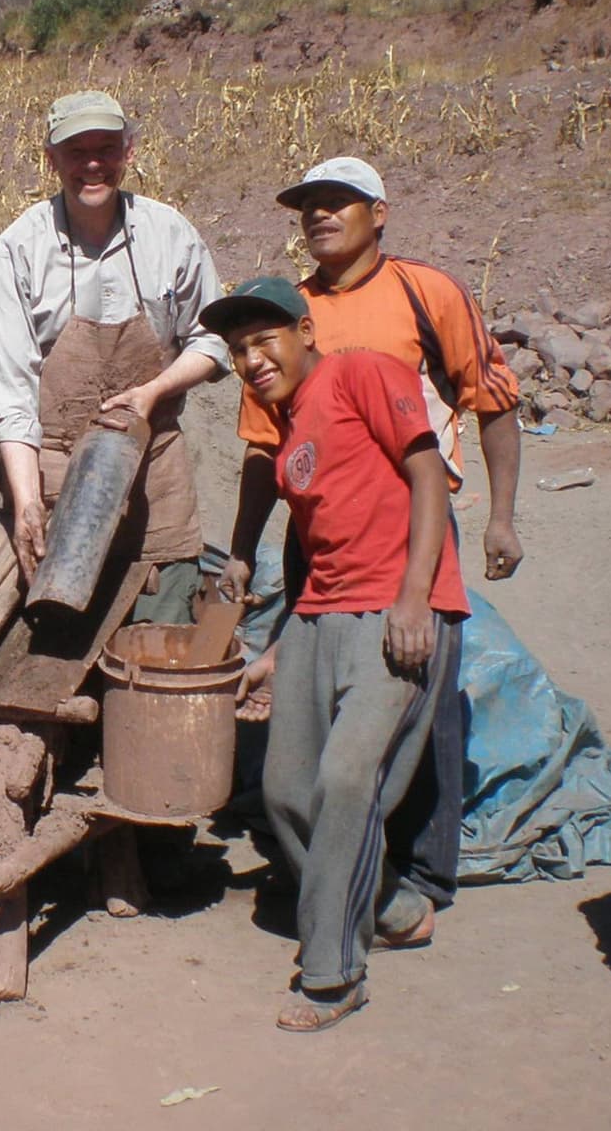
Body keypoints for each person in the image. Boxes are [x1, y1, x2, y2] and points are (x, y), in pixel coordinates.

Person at [228, 157, 524, 933]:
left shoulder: (425, 293)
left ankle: (423, 874)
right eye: (309, 208)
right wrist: (242, 548)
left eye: (339, 204)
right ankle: (353, 873)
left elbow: (487, 398)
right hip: (318, 530)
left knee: (420, 707)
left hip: (408, 519)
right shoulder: (285, 313)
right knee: (314, 721)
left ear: (379, 212)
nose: (320, 218)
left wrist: (502, 515)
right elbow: (265, 451)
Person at [203, 278, 468, 1033]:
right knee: (286, 790)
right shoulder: (289, 428)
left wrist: (416, 599)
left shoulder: (362, 374)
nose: (253, 361)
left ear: (304, 331)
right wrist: (283, 645)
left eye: (265, 341)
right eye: (238, 350)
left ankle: (333, 973)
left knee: (348, 779)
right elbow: (320, 551)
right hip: (320, 616)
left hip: (397, 610)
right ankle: (394, 905)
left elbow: (428, 480)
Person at [0, 90, 229, 624]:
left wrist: (155, 391)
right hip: (54, 472)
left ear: (128, 151)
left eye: (106, 148)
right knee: (55, 644)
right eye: (76, 151)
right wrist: (26, 502)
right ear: (52, 159)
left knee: (160, 641)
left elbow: (212, 337)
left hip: (153, 470)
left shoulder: (169, 234)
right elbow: (7, 390)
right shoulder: (20, 249)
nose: (93, 164)